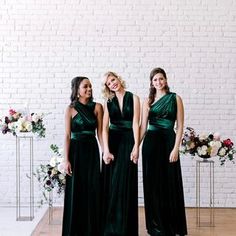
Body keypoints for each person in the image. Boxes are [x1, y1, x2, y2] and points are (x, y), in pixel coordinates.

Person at [139, 68, 188, 236]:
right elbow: (143, 127)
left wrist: (176, 148)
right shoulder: (148, 101)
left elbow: (180, 126)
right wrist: (135, 147)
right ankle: (156, 225)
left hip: (168, 142)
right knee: (153, 184)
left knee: (169, 183)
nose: (158, 82)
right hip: (151, 144)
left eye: (161, 79)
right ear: (151, 83)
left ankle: (172, 225)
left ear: (165, 80)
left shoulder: (176, 98)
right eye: (155, 80)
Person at [62, 76, 103, 236]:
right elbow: (67, 135)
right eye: (85, 86)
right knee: (76, 189)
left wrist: (105, 150)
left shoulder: (97, 107)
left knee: (93, 188)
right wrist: (66, 159)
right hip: (76, 152)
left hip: (92, 151)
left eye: (90, 86)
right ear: (77, 90)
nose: (89, 89)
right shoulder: (70, 109)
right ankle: (75, 229)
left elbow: (100, 133)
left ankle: (92, 229)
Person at [101, 71, 140, 236]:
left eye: (112, 80)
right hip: (113, 143)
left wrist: (136, 146)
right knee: (113, 183)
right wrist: (106, 150)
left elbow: (135, 124)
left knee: (126, 182)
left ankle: (126, 228)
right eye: (108, 84)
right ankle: (111, 227)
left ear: (118, 79)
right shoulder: (108, 101)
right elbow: (104, 127)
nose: (112, 84)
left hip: (128, 141)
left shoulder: (134, 98)